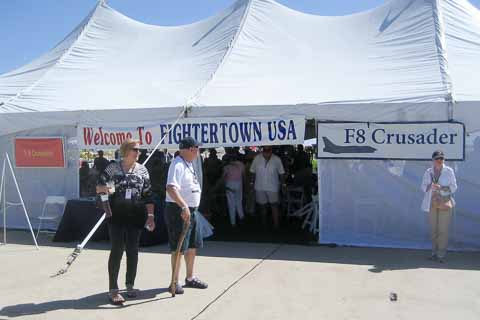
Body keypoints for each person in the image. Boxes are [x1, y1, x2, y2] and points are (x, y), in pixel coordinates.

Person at [97, 139, 155, 305]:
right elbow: (100, 188)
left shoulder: (142, 170)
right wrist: (106, 197)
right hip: (116, 215)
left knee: (132, 250)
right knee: (117, 250)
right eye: (135, 149)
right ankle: (113, 289)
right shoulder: (113, 168)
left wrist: (151, 217)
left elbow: (148, 195)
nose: (139, 152)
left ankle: (130, 285)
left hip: (136, 215)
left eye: (139, 150)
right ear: (126, 150)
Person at [165, 137, 208, 295]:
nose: (198, 151)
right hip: (179, 211)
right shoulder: (177, 164)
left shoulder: (188, 163)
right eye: (197, 148)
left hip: (191, 210)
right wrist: (183, 205)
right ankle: (174, 281)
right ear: (191, 149)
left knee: (192, 246)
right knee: (179, 248)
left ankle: (189, 277)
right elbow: (171, 188)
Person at [421, 150, 457, 263]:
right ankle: (434, 252)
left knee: (443, 229)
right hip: (431, 202)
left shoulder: (449, 170)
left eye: (442, 158)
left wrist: (442, 188)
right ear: (433, 160)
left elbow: (454, 187)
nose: (440, 160)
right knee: (433, 229)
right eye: (437, 158)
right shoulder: (428, 171)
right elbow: (423, 187)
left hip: (444, 202)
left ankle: (441, 254)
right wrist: (430, 186)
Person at [249, 146, 286, 229]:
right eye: (265, 150)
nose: (266, 151)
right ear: (262, 150)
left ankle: (276, 226)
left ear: (271, 150)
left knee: (274, 206)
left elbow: (281, 173)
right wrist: (251, 183)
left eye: (268, 150)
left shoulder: (277, 159)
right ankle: (264, 225)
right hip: (259, 186)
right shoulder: (257, 158)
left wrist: (283, 185)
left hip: (273, 187)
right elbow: (252, 171)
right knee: (262, 207)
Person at [223, 154, 246, 227]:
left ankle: (233, 222)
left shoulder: (226, 167)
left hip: (229, 184)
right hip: (239, 183)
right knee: (239, 202)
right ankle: (241, 217)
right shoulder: (241, 164)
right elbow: (244, 176)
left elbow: (223, 177)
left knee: (231, 204)